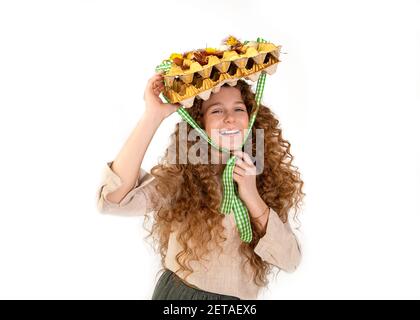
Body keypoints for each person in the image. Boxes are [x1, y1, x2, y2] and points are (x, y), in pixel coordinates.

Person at [96, 72, 304, 300]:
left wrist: (252, 196)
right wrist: (152, 117)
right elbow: (113, 201)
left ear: (251, 118)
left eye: (239, 109)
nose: (230, 118)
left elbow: (290, 260)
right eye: (216, 110)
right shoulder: (182, 176)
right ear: (199, 122)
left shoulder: (264, 179)